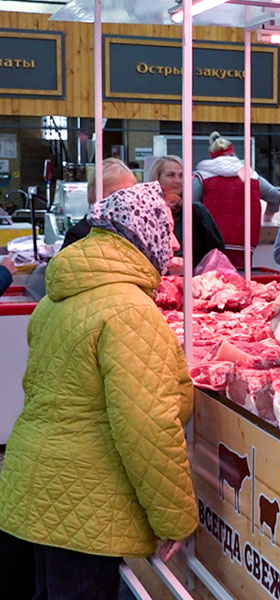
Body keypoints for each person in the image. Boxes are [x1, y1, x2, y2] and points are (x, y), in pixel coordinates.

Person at [0, 181, 198, 598]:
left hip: (31, 480)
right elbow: (147, 427)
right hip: (86, 500)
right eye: (168, 230)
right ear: (145, 235)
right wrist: (175, 518)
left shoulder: (61, 296)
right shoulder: (129, 310)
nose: (176, 243)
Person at [193, 131, 280, 268]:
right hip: (244, 239)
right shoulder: (246, 174)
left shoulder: (203, 175)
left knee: (211, 280)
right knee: (240, 278)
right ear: (233, 153)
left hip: (211, 238)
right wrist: (268, 217)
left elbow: (190, 203)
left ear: (212, 155)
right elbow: (274, 196)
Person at [150, 155, 226, 269]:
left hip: (192, 279)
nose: (177, 180)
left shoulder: (196, 211)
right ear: (157, 178)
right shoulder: (146, 210)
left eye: (181, 175)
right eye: (171, 175)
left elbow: (216, 251)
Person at [61, 157, 137, 249]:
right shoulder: (80, 235)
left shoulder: (132, 234)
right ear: (96, 195)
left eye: (130, 194)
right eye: (118, 194)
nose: (126, 201)